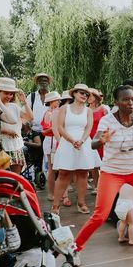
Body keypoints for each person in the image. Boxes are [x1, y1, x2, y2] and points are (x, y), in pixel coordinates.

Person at [74, 85, 133, 251]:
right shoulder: (108, 121)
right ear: (116, 102)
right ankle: (74, 248)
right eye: (126, 100)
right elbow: (93, 144)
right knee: (100, 215)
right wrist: (102, 140)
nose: (131, 103)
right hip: (112, 172)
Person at [50, 84, 99, 214]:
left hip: (83, 142)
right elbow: (60, 127)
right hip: (67, 142)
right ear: (74, 94)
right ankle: (55, 205)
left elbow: (89, 127)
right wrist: (72, 140)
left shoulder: (88, 111)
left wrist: (82, 140)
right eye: (81, 93)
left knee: (83, 173)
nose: (84, 96)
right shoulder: (65, 108)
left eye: (86, 94)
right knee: (63, 174)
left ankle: (81, 202)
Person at [0, 78, 26, 174]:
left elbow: (29, 117)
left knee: (15, 178)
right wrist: (5, 131)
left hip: (15, 145)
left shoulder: (14, 106)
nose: (9, 96)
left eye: (11, 93)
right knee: (2, 178)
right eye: (6, 93)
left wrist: (24, 102)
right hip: (0, 146)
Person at [40, 91, 62, 201]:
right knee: (52, 168)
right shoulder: (48, 113)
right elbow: (44, 131)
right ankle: (50, 193)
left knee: (59, 168)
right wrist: (55, 126)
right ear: (50, 101)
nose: (58, 102)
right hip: (51, 141)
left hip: (57, 140)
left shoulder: (56, 112)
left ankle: (58, 192)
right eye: (57, 100)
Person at [88, 88, 108, 193]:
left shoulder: (103, 109)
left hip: (101, 138)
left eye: (90, 95)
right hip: (90, 139)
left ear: (95, 97)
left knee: (103, 163)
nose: (88, 98)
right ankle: (97, 187)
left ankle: (105, 185)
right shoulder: (86, 110)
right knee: (93, 165)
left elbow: (109, 123)